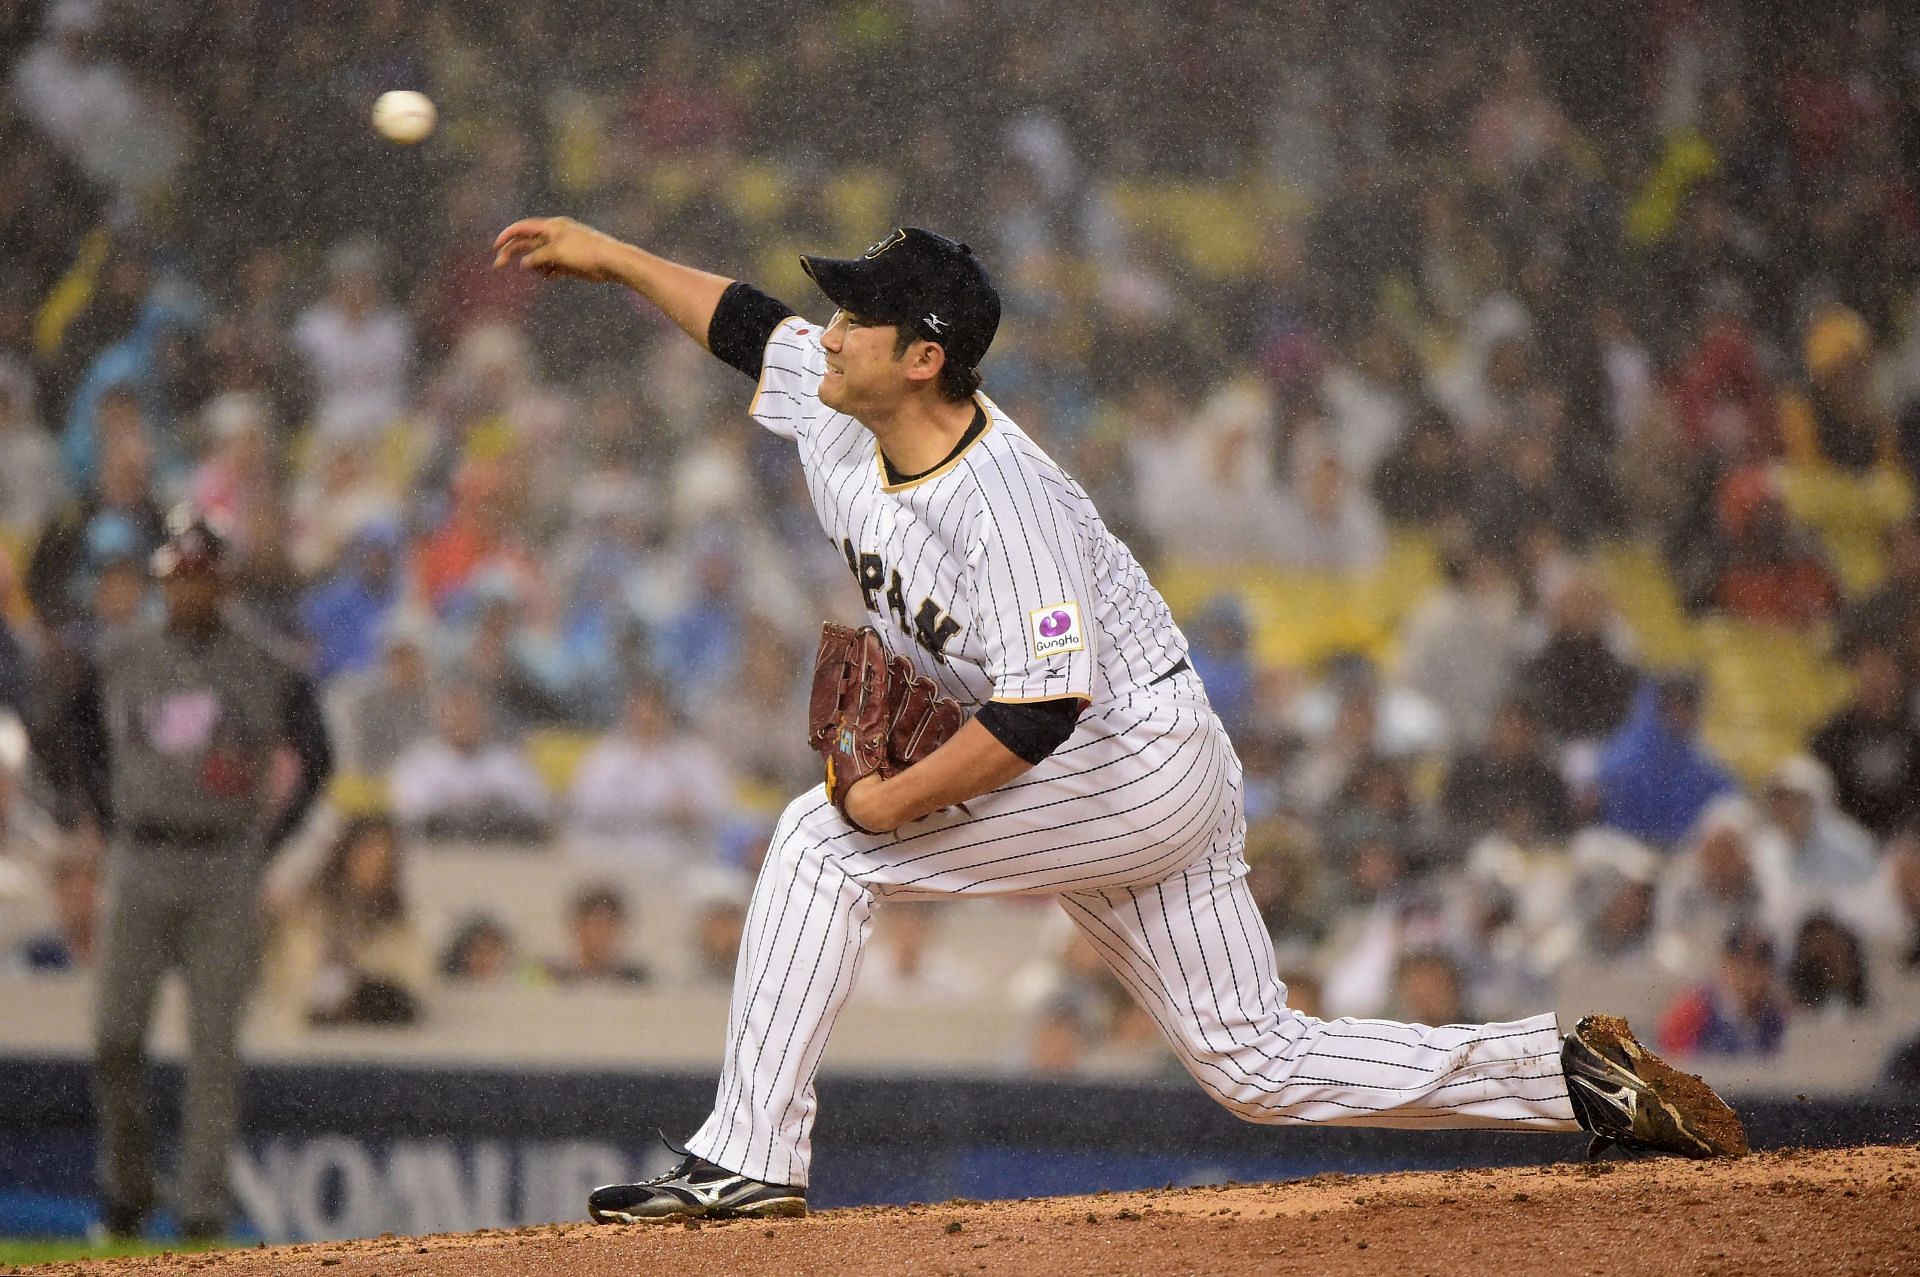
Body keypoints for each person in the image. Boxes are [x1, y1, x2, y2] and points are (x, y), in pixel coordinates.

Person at [492, 214, 1744, 1225]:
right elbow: (746, 325)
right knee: (1253, 1061)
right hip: (1128, 762)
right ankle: (1572, 1071)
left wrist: (887, 802)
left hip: (1128, 756)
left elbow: (1041, 708)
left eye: (854, 316)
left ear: (922, 355)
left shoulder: (1004, 491)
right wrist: (609, 255)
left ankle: (748, 1153)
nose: (826, 330)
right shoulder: (840, 408)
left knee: (824, 844)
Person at [50, 510, 333, 1240]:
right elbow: (74, 731)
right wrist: (104, 817)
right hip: (142, 855)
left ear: (224, 581)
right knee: (114, 1035)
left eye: (202, 577)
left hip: (224, 861)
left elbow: (317, 752)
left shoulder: (263, 661)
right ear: (162, 580)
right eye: (179, 578)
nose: (190, 591)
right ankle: (130, 1185)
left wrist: (271, 837)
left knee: (214, 1048)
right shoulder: (123, 656)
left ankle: (201, 1208)